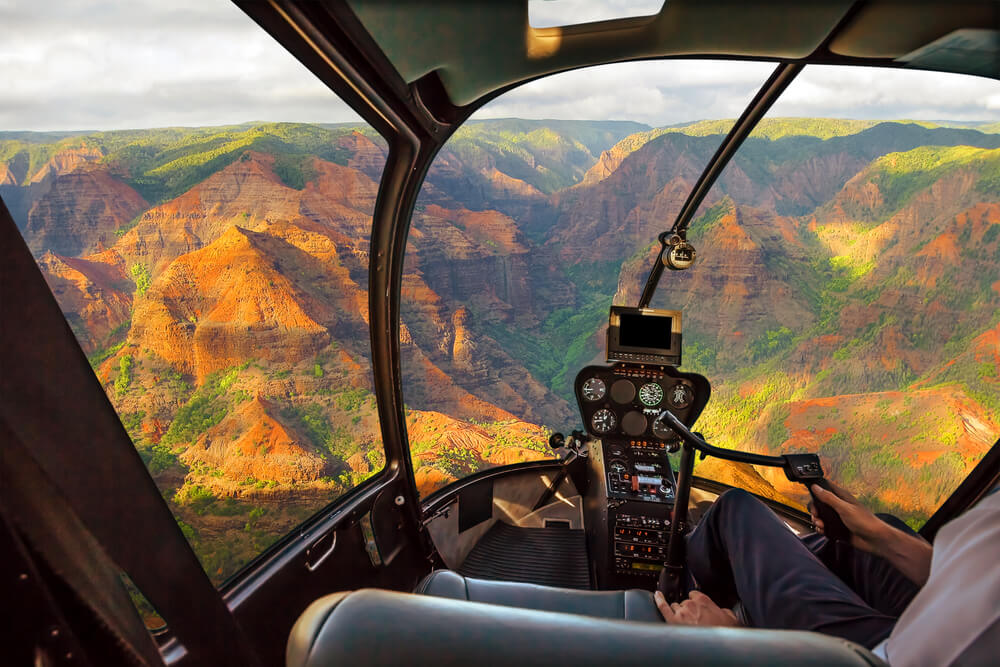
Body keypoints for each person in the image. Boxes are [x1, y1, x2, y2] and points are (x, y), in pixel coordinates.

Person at [653, 481, 1000, 665]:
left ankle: (688, 594)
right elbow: (976, 576)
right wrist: (881, 537)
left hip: (879, 656)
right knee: (866, 537)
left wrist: (735, 644)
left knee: (736, 510)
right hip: (939, 620)